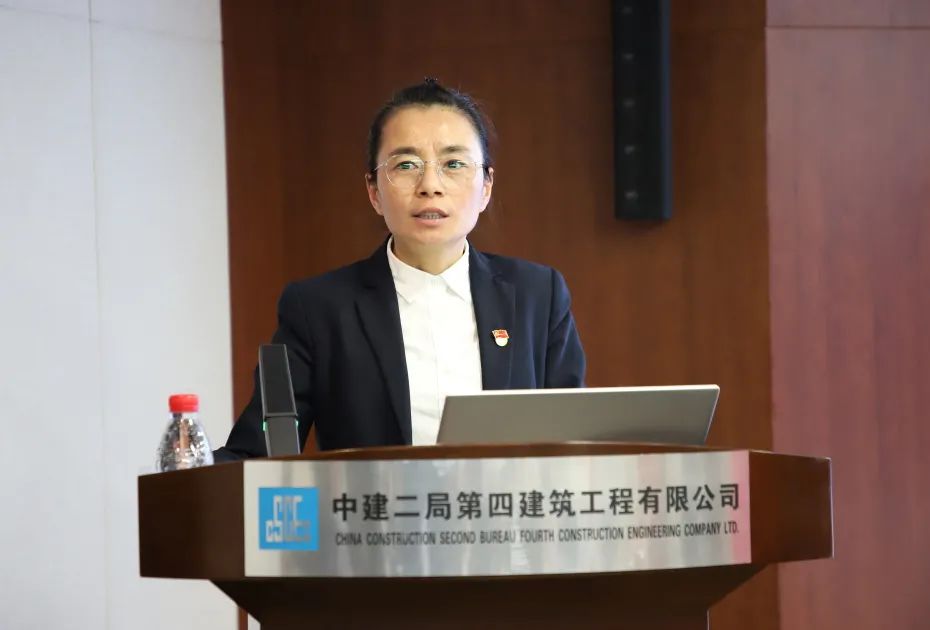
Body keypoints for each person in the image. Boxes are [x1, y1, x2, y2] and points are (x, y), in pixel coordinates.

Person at [214, 79, 585, 461]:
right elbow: (257, 454)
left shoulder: (537, 295)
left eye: (453, 164)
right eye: (406, 165)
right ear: (374, 191)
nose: (430, 186)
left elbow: (578, 444)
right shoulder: (319, 308)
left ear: (486, 187)